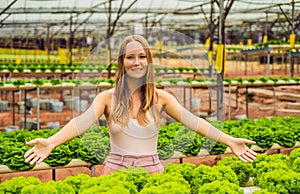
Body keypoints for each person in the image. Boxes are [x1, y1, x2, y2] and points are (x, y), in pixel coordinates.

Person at [24, 34, 257, 175]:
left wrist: (228, 140)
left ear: (149, 61)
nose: (137, 62)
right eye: (130, 57)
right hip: (115, 170)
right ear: (122, 62)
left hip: (153, 171)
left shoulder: (161, 97)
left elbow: (194, 122)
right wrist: (51, 142)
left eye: (142, 56)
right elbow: (81, 122)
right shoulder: (106, 98)